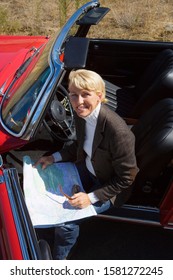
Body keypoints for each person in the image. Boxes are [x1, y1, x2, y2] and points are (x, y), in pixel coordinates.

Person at [35, 69, 138, 259]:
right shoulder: (82, 114)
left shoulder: (119, 133)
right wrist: (53, 158)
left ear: (99, 96)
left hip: (108, 184)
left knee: (66, 221)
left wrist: (90, 198)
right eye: (74, 95)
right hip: (89, 167)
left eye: (85, 95)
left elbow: (127, 178)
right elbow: (78, 144)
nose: (78, 101)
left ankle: (60, 259)